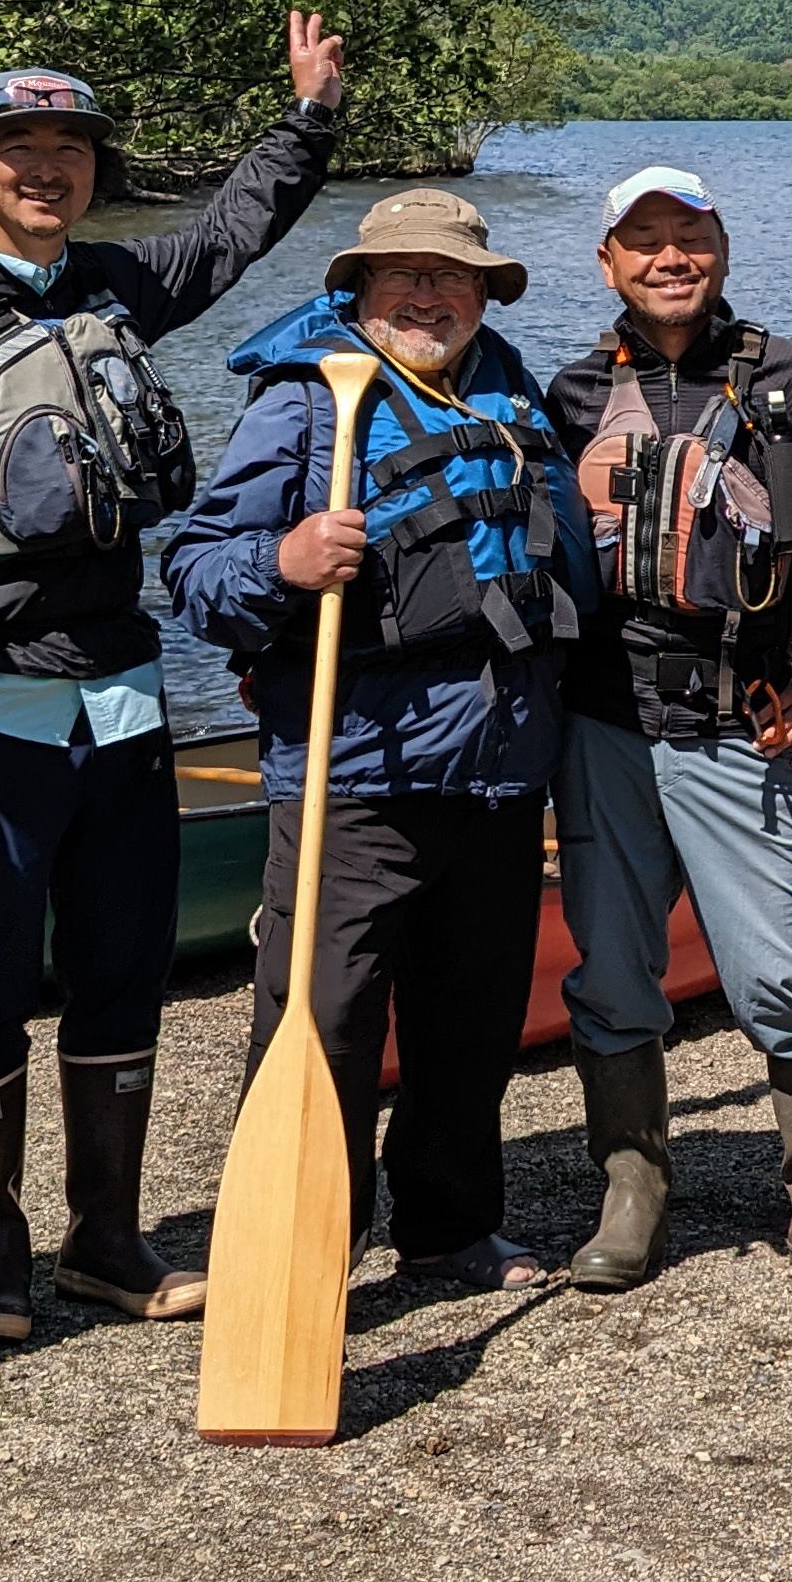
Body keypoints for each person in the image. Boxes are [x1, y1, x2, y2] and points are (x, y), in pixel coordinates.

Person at [0, 20, 343, 1345]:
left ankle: (106, 1239)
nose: (47, 170)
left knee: (122, 970)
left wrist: (309, 116)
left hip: (127, 696)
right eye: (19, 149)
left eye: (70, 150)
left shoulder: (107, 286)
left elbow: (224, 240)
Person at [161, 187, 597, 1289]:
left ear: (482, 294)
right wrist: (282, 563)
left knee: (471, 1022)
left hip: (497, 774)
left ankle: (449, 1225)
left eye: (450, 277)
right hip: (350, 772)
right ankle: (305, 1243)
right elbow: (197, 570)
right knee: (329, 1017)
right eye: (400, 274)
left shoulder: (510, 391)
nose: (427, 295)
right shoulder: (307, 405)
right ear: (354, 292)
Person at [544, 164, 792, 1295]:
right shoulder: (566, 395)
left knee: (781, 975)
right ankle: (632, 1186)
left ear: (721, 248)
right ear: (608, 261)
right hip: (601, 723)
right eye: (644, 239)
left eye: (690, 236)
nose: (670, 256)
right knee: (613, 972)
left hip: (740, 724)